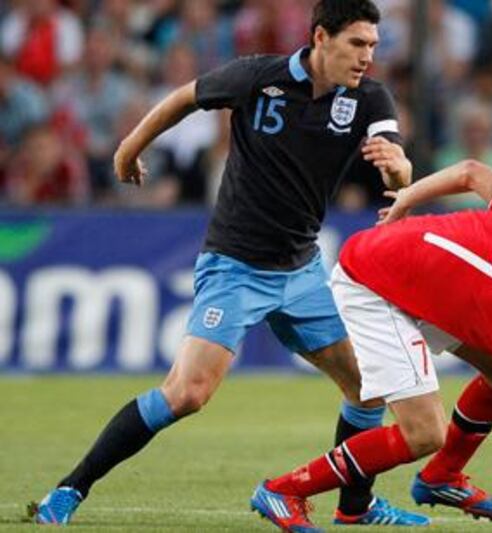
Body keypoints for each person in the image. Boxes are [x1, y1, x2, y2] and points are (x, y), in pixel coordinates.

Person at [29, 0, 428, 527]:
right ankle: (68, 490)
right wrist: (130, 148)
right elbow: (185, 98)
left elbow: (396, 170)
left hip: (302, 269)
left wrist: (401, 170)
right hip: (236, 266)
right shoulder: (256, 77)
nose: (367, 57)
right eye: (357, 43)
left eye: (373, 46)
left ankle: (354, 509)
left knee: (366, 387)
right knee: (188, 394)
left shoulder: (370, 97)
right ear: (320, 38)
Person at [252, 159, 492, 532]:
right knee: (424, 433)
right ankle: (286, 489)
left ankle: (441, 476)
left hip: (414, 269)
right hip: (373, 281)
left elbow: (471, 172)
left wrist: (408, 196)